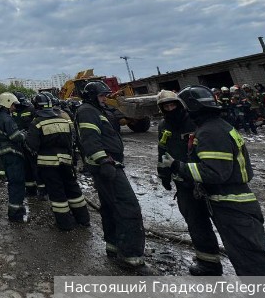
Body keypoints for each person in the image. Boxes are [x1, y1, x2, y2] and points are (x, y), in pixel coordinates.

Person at [160, 85, 265, 276]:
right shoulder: (217, 126)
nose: (175, 110)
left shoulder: (210, 132)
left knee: (251, 261)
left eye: (178, 105)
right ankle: (209, 264)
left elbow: (214, 173)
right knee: (246, 256)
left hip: (230, 202)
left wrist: (177, 166)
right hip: (228, 197)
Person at [75, 81, 153, 274]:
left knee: (110, 206)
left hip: (108, 164)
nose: (105, 98)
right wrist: (104, 161)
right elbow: (89, 139)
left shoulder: (97, 110)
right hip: (107, 165)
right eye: (102, 96)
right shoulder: (87, 111)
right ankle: (130, 257)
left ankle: (114, 246)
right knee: (128, 207)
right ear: (93, 96)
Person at [156, 90, 222, 275]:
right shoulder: (164, 126)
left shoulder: (194, 121)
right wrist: (164, 175)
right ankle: (208, 263)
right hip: (183, 183)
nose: (170, 108)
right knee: (196, 222)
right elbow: (162, 151)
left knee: (223, 221)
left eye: (173, 105)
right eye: (166, 106)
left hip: (206, 180)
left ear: (180, 104)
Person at [26, 93, 89, 230]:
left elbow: (32, 146)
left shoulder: (37, 122)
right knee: (73, 188)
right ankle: (83, 219)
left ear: (36, 106)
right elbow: (72, 141)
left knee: (57, 192)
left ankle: (65, 223)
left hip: (48, 164)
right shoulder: (63, 119)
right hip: (66, 160)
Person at [0, 92, 27, 222]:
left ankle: (17, 210)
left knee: (13, 182)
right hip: (12, 154)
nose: (14, 107)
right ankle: (15, 215)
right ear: (7, 103)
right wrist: (24, 135)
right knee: (17, 183)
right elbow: (15, 137)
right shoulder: (7, 119)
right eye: (13, 104)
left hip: (4, 153)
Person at [12, 92, 41, 197]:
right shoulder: (13, 110)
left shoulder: (31, 109)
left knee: (35, 166)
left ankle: (42, 190)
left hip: (31, 142)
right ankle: (30, 190)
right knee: (25, 167)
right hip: (19, 142)